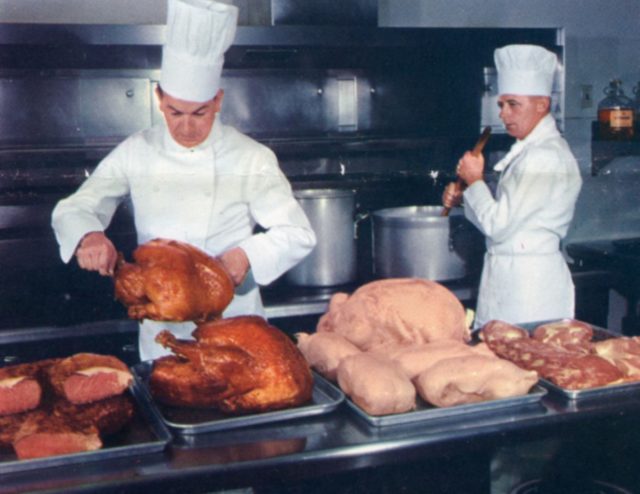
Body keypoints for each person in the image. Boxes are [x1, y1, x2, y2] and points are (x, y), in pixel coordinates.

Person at [51, 0, 316, 360]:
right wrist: (89, 234)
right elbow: (79, 206)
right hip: (161, 333)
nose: (187, 127)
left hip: (235, 326)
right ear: (159, 99)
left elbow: (298, 233)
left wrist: (246, 255)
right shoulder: (136, 151)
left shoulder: (251, 157)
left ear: (218, 101)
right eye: (175, 112)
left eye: (200, 113)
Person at [442, 44, 582, 329]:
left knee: (528, 364)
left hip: (531, 287)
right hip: (510, 278)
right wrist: (466, 194)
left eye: (513, 105)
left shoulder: (544, 156)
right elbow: (505, 214)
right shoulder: (528, 151)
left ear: (542, 105)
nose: (504, 115)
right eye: (501, 105)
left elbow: (498, 225)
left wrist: (475, 181)